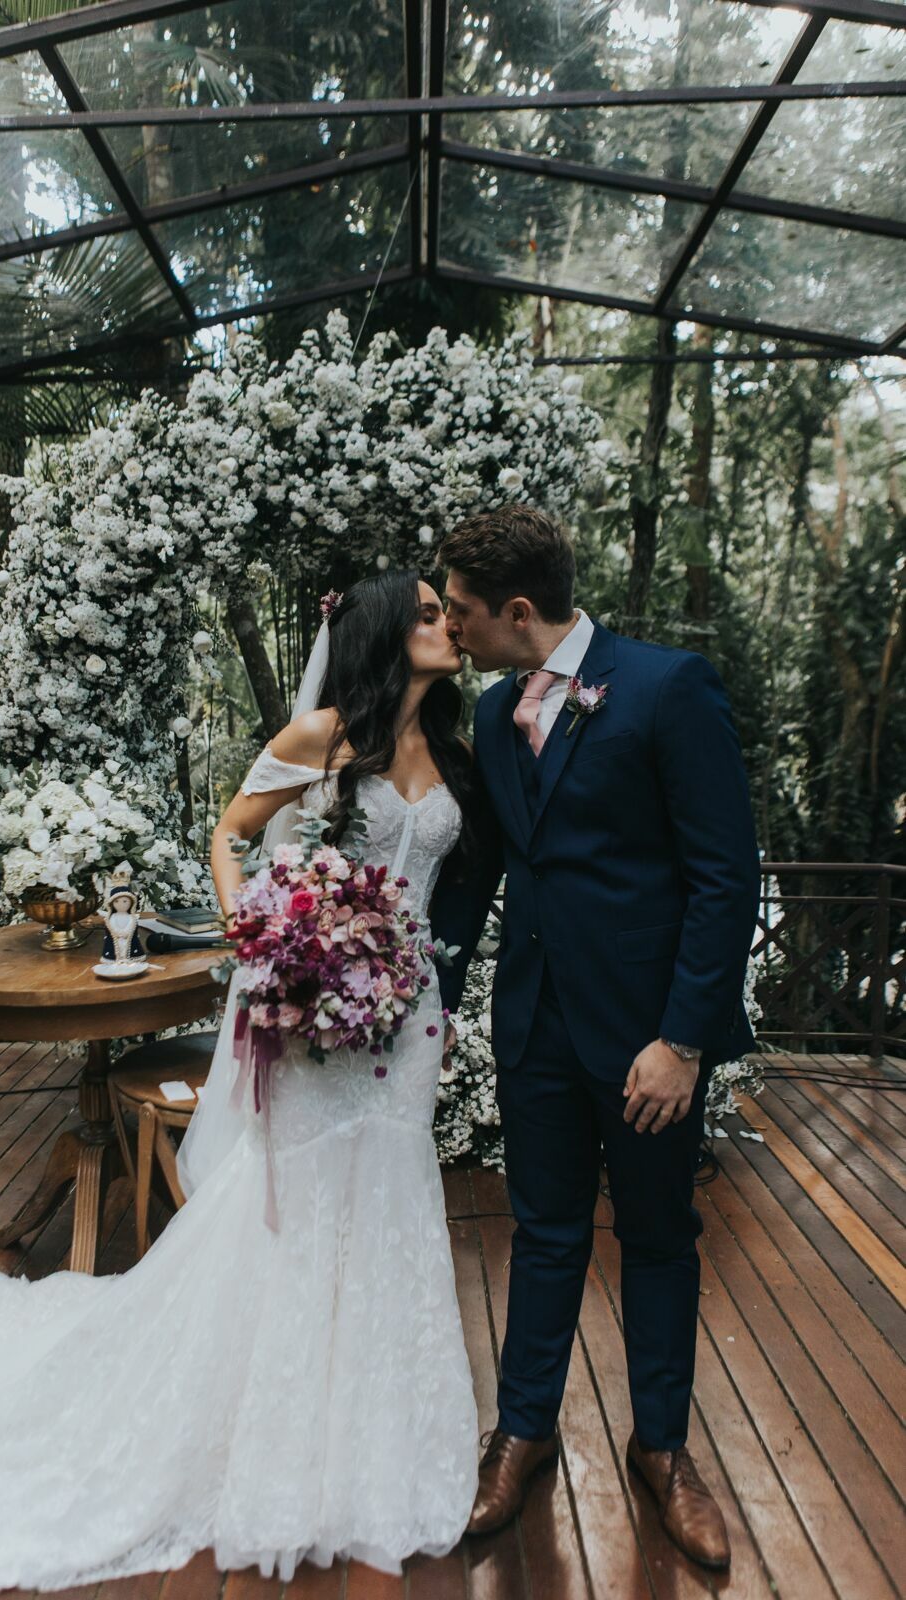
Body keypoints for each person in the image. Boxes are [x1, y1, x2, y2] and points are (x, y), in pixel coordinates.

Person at [0, 573, 480, 1599]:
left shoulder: (452, 752)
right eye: (430, 612)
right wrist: (260, 933)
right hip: (307, 1008)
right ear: (384, 633)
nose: (449, 623)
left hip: (406, 1019)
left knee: (391, 1204)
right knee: (302, 1208)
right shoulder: (319, 736)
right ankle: (273, 1430)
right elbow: (230, 834)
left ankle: (372, 1431)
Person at [429, 505, 760, 1573]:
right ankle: (521, 1433)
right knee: (543, 1231)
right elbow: (483, 867)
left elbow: (724, 876)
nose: (452, 626)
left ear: (519, 610)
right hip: (532, 1023)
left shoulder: (666, 688)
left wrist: (682, 1040)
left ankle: (660, 1448)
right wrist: (424, 994)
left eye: (463, 610)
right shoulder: (492, 712)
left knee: (657, 1236)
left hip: (645, 1041)